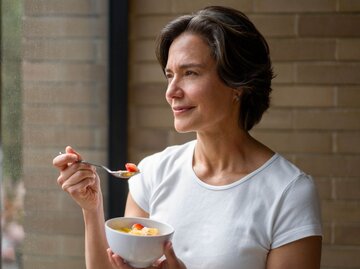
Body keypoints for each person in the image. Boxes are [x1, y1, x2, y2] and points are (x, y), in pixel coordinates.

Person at [53, 6, 322, 269]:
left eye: (190, 73)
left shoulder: (288, 191)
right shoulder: (151, 173)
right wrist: (92, 209)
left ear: (237, 85)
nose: (171, 91)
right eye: (170, 75)